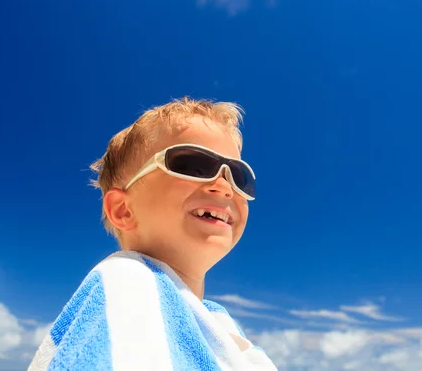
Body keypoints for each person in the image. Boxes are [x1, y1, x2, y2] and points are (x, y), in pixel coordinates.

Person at [28, 97, 277, 370]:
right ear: (123, 210)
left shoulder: (220, 326)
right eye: (193, 165)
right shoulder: (128, 284)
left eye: (239, 177)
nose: (224, 186)